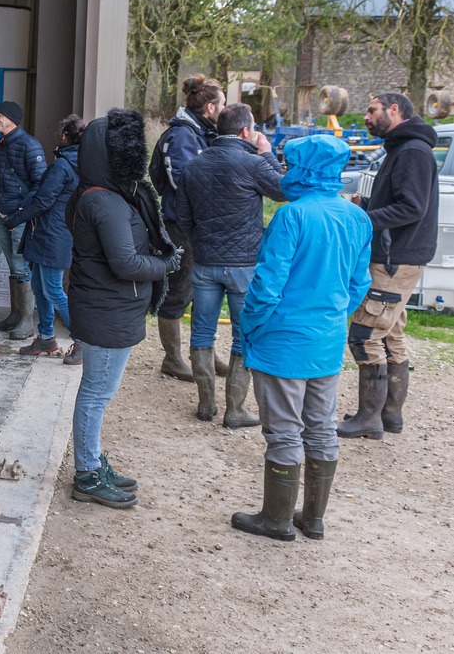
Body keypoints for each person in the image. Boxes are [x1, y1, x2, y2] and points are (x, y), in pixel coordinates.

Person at [230, 135, 372, 542]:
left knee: (284, 431)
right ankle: (313, 518)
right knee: (322, 428)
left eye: (290, 165)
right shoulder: (357, 218)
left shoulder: (292, 217)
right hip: (326, 342)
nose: (286, 173)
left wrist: (252, 325)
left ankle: (275, 520)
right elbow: (358, 284)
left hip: (282, 341)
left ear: (304, 168)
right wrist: (331, 319)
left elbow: (267, 285)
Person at [67, 109, 179, 509]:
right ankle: (87, 474)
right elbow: (126, 263)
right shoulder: (104, 202)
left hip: (110, 307)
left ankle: (93, 462)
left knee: (100, 391)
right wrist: (167, 263)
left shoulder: (104, 195)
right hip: (106, 310)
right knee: (96, 394)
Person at [175, 103, 285, 427]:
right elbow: (282, 189)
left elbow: (183, 217)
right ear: (245, 131)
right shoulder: (252, 163)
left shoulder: (193, 165)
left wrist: (202, 243)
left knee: (202, 334)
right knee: (243, 337)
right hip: (243, 266)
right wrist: (267, 152)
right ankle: (235, 411)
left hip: (205, 263)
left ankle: (206, 405)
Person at [338, 92, 439, 440]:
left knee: (366, 334)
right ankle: (388, 415)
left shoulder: (412, 151)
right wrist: (364, 203)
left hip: (396, 258)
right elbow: (398, 201)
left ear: (393, 110)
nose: (366, 117)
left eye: (372, 110)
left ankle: (369, 418)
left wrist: (362, 219)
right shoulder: (402, 148)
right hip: (399, 255)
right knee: (391, 334)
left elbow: (412, 208)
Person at [148, 75, 225, 380]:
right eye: (222, 104)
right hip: (181, 226)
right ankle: (173, 358)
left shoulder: (200, 133)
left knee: (203, 292)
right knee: (179, 291)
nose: (225, 109)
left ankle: (207, 354)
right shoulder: (182, 137)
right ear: (209, 107)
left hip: (199, 224)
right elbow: (182, 181)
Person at [10, 115, 83, 365]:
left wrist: (17, 217)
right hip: (50, 233)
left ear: (64, 136)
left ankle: (81, 340)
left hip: (53, 234)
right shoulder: (77, 162)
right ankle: (47, 337)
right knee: (40, 287)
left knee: (53, 289)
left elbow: (43, 199)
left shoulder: (63, 165)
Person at [0, 100, 47, 340]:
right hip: (2, 213)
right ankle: (14, 316)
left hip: (20, 216)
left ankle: (26, 321)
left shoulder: (30, 146)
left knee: (21, 266)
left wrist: (24, 208)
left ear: (12, 119)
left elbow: (41, 183)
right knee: (12, 265)